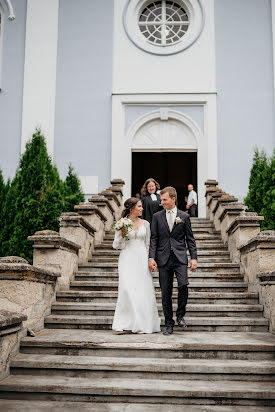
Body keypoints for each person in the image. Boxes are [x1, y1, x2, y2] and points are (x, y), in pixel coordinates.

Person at [149, 187, 197, 336]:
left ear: (173, 199)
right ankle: (168, 324)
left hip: (180, 257)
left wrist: (193, 257)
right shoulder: (157, 217)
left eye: (164, 200)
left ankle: (180, 315)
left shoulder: (184, 216)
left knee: (183, 285)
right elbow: (154, 239)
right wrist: (151, 257)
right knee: (166, 293)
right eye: (161, 200)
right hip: (163, 259)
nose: (161, 202)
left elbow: (190, 239)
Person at [112, 197, 161, 334]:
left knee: (142, 290)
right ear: (132, 208)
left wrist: (151, 259)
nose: (142, 208)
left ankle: (141, 323)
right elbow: (116, 245)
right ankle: (122, 323)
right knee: (126, 289)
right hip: (127, 257)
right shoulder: (121, 223)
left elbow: (149, 244)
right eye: (139, 206)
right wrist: (121, 235)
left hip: (141, 258)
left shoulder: (145, 224)